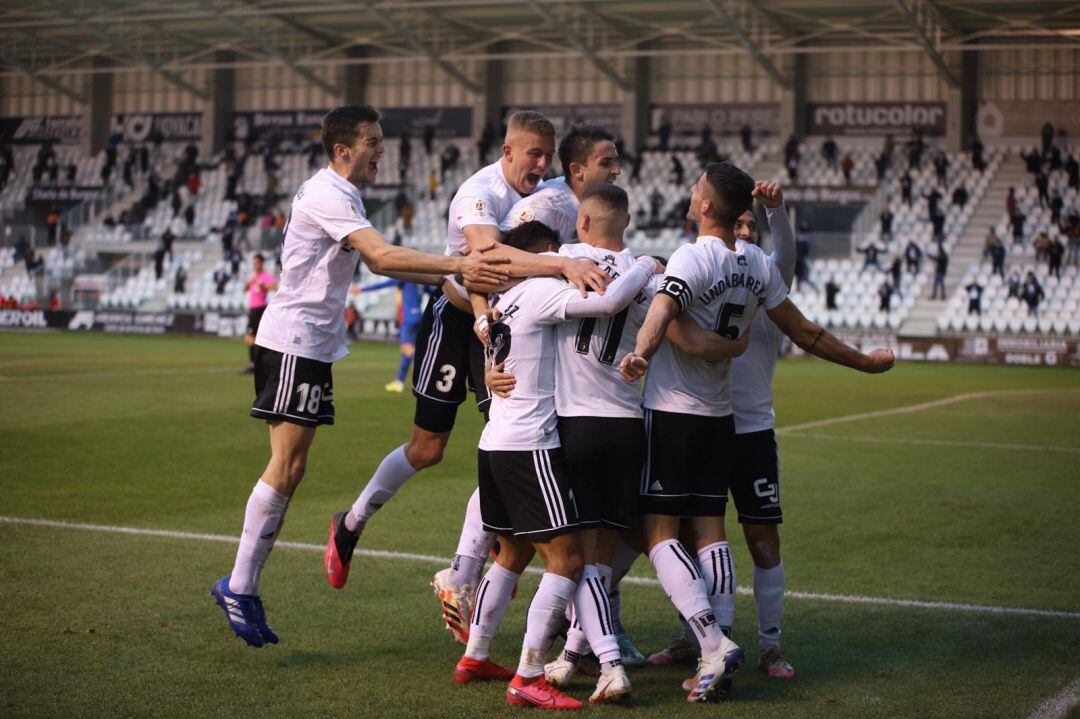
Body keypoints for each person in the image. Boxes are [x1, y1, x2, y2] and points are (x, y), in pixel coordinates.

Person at [209, 104, 510, 649]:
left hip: (311, 343)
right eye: (373, 141)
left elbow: (383, 261)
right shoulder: (328, 193)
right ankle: (240, 585)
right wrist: (459, 265)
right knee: (286, 465)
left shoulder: (342, 194)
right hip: (294, 339)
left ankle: (242, 584)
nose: (381, 150)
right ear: (342, 149)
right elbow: (379, 256)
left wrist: (450, 268)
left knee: (293, 467)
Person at [619, 162, 894, 699]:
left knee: (659, 533)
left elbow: (666, 305)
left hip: (675, 412)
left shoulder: (693, 256)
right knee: (709, 531)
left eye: (698, 186)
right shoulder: (754, 267)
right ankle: (715, 651)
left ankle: (711, 642)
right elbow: (804, 330)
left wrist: (640, 353)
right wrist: (861, 362)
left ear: (703, 206)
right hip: (720, 418)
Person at [322, 111, 608, 591]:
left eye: (546, 154)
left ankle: (465, 571)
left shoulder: (553, 199)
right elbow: (488, 259)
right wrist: (558, 264)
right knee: (427, 448)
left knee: (512, 438)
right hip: (458, 320)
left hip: (508, 325)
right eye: (531, 153)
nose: (540, 162)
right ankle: (350, 522)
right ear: (508, 152)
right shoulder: (480, 194)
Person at [454, 220, 658, 708]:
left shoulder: (504, 304)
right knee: (568, 559)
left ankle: (476, 654)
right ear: (548, 253)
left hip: (494, 442)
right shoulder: (545, 288)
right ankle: (528, 675)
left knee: (512, 554)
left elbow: (482, 320)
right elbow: (609, 303)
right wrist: (649, 263)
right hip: (531, 445)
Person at [358, 277, 425, 393]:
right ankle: (399, 382)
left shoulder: (405, 277)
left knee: (407, 348)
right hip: (419, 317)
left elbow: (384, 284)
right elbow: (434, 290)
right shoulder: (421, 280)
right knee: (406, 351)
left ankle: (427, 368)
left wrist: (362, 289)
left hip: (408, 319)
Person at [243, 254, 278, 373]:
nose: (255, 265)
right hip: (253, 308)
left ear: (261, 263)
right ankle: (257, 363)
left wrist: (264, 285)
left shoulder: (265, 276)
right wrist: (249, 283)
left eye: (256, 263)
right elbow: (245, 289)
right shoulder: (254, 276)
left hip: (259, 308)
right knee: (252, 337)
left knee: (251, 337)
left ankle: (254, 364)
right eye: (254, 263)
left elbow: (275, 287)